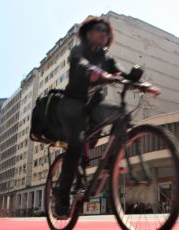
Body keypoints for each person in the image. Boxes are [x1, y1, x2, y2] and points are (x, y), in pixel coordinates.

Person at [55, 17, 136, 216]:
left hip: (94, 107)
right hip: (72, 104)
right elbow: (80, 63)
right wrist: (92, 70)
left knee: (122, 115)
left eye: (107, 32)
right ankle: (62, 195)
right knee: (76, 144)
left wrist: (137, 79)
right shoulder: (78, 50)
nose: (104, 33)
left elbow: (120, 72)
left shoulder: (106, 58)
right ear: (89, 32)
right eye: (100, 29)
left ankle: (111, 161)